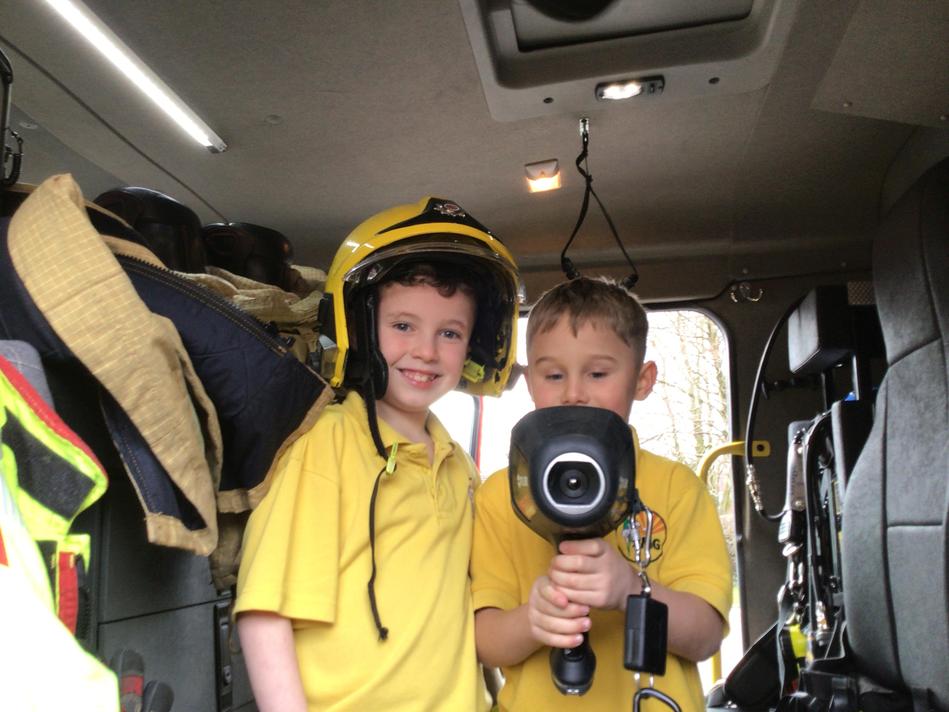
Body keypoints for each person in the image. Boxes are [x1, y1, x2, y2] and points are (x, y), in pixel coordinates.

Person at [234, 197, 520, 711]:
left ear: (473, 346)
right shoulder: (327, 445)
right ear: (361, 330)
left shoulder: (458, 465)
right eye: (403, 325)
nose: (427, 351)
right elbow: (265, 613)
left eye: (450, 333)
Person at [471, 276, 732, 711]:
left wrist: (632, 589)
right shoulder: (500, 495)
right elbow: (486, 641)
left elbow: (704, 636)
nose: (574, 393)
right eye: (554, 375)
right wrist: (534, 619)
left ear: (642, 380)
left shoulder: (676, 486)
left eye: (597, 373)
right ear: (531, 383)